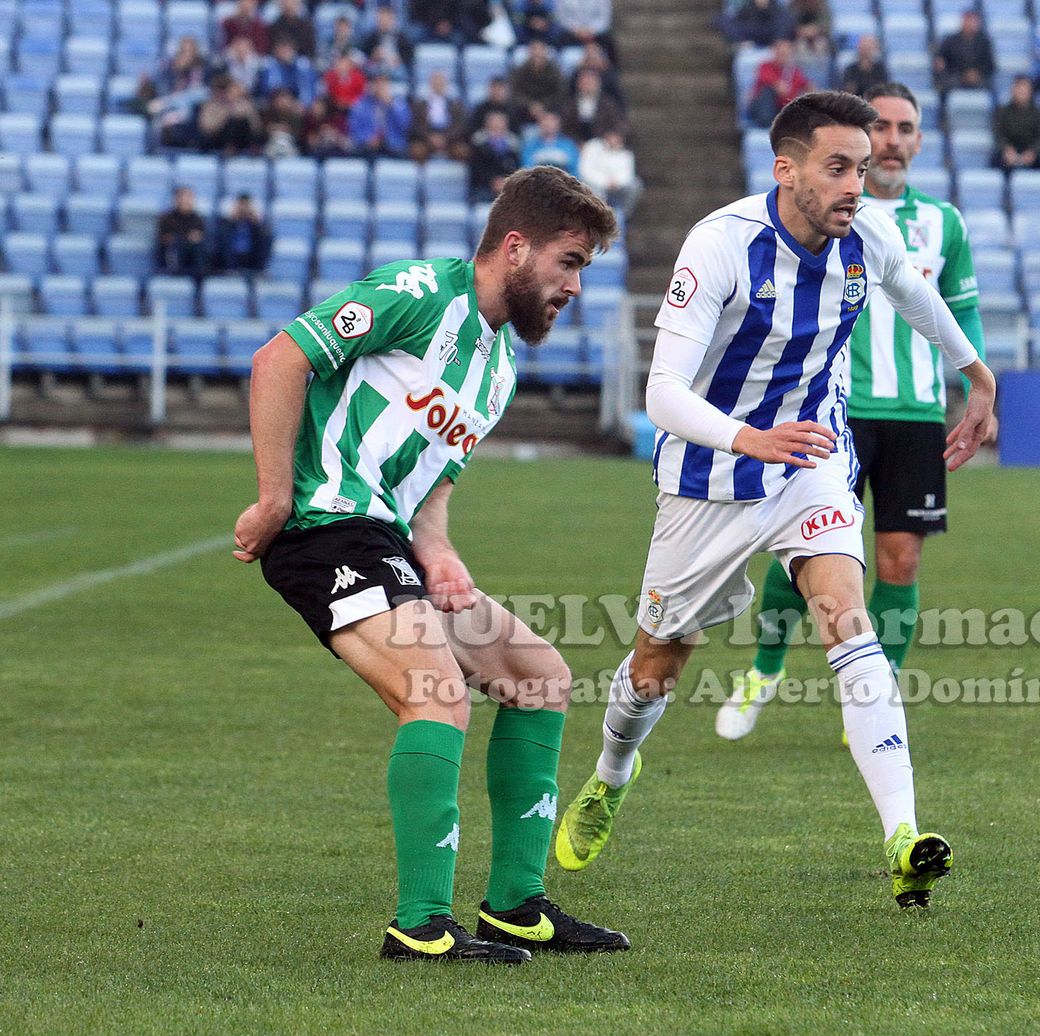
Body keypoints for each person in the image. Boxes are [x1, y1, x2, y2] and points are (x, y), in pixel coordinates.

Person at [551, 92, 996, 910]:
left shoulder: (869, 234)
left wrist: (976, 371)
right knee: (659, 662)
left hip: (812, 458)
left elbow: (912, 294)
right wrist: (748, 438)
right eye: (837, 168)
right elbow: (661, 393)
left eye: (861, 168)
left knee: (845, 615)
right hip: (710, 473)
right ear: (785, 169)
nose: (855, 184)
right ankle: (613, 771)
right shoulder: (721, 244)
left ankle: (903, 834)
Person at [231, 166, 628, 963]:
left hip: (386, 538)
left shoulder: (501, 365)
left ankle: (516, 904)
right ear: (515, 248)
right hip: (325, 527)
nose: (575, 286)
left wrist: (439, 550)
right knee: (437, 692)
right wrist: (275, 497)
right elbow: (281, 358)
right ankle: (420, 924)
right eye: (570, 262)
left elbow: (433, 481)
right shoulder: (418, 292)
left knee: (540, 675)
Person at [714, 82, 985, 746]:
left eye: (906, 127)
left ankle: (874, 694)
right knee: (799, 554)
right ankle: (763, 672)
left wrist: (975, 387)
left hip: (915, 411)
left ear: (919, 141)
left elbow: (961, 309)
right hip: (829, 410)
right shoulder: (818, 215)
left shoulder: (943, 223)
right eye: (883, 126)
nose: (893, 139)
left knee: (900, 560)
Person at [748, 39, 813, 127]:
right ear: (775, 53)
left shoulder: (794, 72)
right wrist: (777, 84)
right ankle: (768, 124)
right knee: (767, 91)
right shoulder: (765, 66)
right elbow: (766, 79)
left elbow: (806, 85)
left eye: (786, 54)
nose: (784, 57)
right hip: (763, 108)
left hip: (782, 109)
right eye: (781, 53)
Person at [993, 74, 1040, 171]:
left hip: (1032, 151)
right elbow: (998, 135)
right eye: (1019, 88)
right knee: (996, 159)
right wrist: (1007, 149)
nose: (1022, 91)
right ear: (1013, 90)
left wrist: (1033, 152)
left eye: (1024, 88)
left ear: (1030, 91)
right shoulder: (1002, 111)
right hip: (1009, 150)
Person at [578, 127, 642, 216]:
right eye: (613, 136)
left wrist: (617, 182)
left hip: (617, 186)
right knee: (592, 189)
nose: (615, 139)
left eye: (618, 137)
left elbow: (628, 174)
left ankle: (622, 216)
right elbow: (586, 170)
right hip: (597, 184)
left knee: (635, 185)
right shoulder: (592, 146)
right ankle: (598, 216)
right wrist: (605, 182)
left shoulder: (626, 153)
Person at [348, 74, 413, 158]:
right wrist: (367, 139)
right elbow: (354, 129)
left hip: (394, 145)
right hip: (367, 146)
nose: (379, 86)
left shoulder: (399, 104)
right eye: (376, 83)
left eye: (383, 83)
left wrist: (391, 105)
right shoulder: (360, 105)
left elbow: (405, 126)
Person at [410, 69, 469, 162]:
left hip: (450, 138)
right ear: (430, 84)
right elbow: (416, 125)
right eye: (435, 82)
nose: (438, 84)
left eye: (441, 82)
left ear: (446, 84)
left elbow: (460, 125)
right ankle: (422, 176)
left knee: (462, 151)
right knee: (417, 150)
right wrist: (430, 137)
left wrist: (445, 138)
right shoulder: (420, 104)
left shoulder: (456, 104)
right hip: (427, 138)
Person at [935, 9, 996, 92]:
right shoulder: (950, 40)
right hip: (957, 76)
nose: (970, 24)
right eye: (968, 20)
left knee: (990, 84)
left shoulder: (984, 42)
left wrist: (977, 73)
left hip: (979, 77)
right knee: (946, 83)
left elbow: (990, 64)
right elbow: (941, 59)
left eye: (973, 21)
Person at [509, 39, 567, 124]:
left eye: (540, 50)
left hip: (550, 108)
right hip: (525, 110)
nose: (537, 53)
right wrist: (530, 105)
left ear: (545, 52)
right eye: (534, 49)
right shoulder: (519, 71)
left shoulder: (555, 71)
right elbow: (515, 92)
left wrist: (543, 105)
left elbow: (560, 92)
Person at [212, 193, 274, 272]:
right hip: (230, 259)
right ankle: (229, 270)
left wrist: (257, 223)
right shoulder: (225, 222)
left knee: (267, 239)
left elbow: (265, 242)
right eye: (241, 205)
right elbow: (220, 242)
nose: (243, 209)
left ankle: (258, 271)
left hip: (250, 258)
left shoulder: (257, 225)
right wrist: (231, 221)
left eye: (246, 206)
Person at [156, 186, 209, 279]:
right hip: (172, 254)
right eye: (182, 197)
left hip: (192, 254)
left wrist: (191, 238)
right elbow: (163, 239)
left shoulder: (198, 219)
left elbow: (200, 237)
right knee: (177, 243)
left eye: (189, 197)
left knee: (199, 247)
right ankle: (176, 275)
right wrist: (185, 237)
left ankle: (199, 278)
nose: (185, 201)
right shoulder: (166, 218)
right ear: (176, 199)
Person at [562, 68, 626, 141]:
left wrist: (611, 136)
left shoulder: (608, 104)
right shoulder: (570, 104)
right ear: (578, 84)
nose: (588, 85)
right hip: (575, 143)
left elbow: (617, 123)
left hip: (602, 143)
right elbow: (565, 127)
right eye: (585, 82)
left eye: (591, 82)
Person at [470, 112, 524, 195]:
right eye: (494, 122)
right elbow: (476, 168)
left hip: (507, 183)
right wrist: (492, 180)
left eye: (500, 122)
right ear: (487, 124)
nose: (497, 125)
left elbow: (516, 166)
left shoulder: (513, 144)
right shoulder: (478, 142)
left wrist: (505, 180)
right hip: (484, 184)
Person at [258, 39, 319, 108]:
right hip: (274, 101)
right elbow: (266, 88)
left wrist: (303, 103)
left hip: (297, 102)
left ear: (293, 51)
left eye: (287, 50)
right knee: (281, 101)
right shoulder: (269, 64)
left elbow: (307, 88)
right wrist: (283, 96)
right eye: (282, 50)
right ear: (275, 51)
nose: (285, 53)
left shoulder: (302, 65)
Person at [358, 5, 414, 70]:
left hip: (397, 66)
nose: (382, 22)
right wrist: (373, 55)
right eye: (380, 20)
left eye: (385, 19)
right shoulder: (372, 36)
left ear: (392, 19)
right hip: (377, 67)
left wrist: (399, 59)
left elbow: (410, 53)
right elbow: (364, 53)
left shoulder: (402, 36)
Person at [724, 0, 795, 48]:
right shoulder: (747, 7)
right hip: (748, 44)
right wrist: (740, 40)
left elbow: (786, 23)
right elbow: (729, 21)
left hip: (773, 44)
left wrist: (766, 8)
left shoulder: (779, 10)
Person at [838, 34, 889, 98]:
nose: (865, 52)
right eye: (863, 48)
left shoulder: (880, 70)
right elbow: (845, 91)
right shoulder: (850, 69)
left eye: (868, 49)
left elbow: (884, 90)